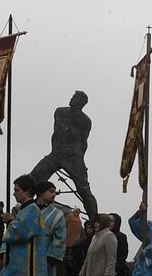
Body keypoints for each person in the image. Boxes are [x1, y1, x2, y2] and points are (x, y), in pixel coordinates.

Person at [30, 91, 100, 220]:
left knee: (84, 190)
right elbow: (56, 132)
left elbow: (83, 142)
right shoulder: (60, 112)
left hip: (73, 157)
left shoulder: (85, 121)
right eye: (72, 97)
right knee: (32, 179)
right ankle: (26, 209)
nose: (72, 99)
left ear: (82, 103)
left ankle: (95, 220)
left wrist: (77, 156)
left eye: (75, 98)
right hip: (56, 154)